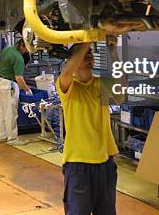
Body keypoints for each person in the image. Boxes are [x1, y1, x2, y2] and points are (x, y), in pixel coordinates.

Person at [56, 40, 125, 215]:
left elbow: (120, 95)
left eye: (90, 55)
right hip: (78, 166)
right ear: (72, 61)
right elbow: (66, 73)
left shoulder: (101, 84)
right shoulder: (68, 87)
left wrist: (113, 50)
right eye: (83, 55)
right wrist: (88, 38)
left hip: (105, 163)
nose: (89, 57)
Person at [0, 39, 32, 145]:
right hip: (10, 85)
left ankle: (3, 135)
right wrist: (27, 89)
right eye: (27, 48)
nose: (27, 51)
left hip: (1, 81)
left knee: (3, 111)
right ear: (22, 45)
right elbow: (19, 78)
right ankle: (12, 138)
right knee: (11, 112)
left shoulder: (7, 49)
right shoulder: (18, 58)